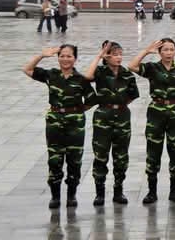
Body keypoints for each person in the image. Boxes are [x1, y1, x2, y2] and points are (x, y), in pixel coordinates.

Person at [23, 45, 96, 209]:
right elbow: (27, 69)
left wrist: (76, 111)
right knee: (54, 159)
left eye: (69, 56)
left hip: (75, 124)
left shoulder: (81, 79)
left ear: (75, 59)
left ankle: (71, 195)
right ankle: (55, 196)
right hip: (54, 122)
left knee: (74, 160)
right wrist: (41, 55)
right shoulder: (51, 75)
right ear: (58, 58)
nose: (65, 59)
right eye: (62, 56)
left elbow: (92, 100)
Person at [128, 37, 175, 204]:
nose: (168, 53)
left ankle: (174, 190)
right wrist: (146, 51)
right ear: (159, 52)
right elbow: (132, 66)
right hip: (156, 113)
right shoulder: (152, 68)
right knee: (153, 151)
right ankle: (152, 191)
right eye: (165, 49)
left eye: (171, 49)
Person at [82, 41, 140, 206]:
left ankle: (118, 190)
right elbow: (87, 77)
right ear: (106, 56)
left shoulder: (127, 75)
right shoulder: (100, 71)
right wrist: (99, 56)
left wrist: (118, 105)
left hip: (122, 116)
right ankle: (99, 192)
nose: (118, 57)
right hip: (103, 116)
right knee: (100, 155)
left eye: (120, 54)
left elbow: (132, 95)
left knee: (121, 156)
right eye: (114, 54)